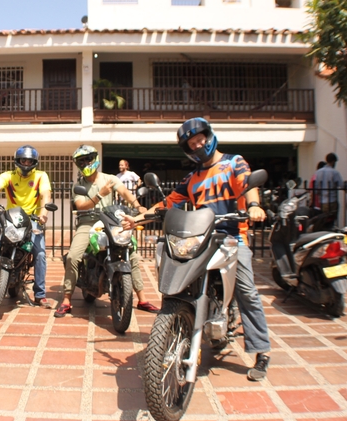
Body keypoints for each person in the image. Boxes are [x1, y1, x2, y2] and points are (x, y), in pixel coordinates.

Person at [124, 118, 271, 381]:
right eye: (192, 144)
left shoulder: (233, 162)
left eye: (200, 139)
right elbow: (169, 203)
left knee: (247, 291)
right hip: (201, 238)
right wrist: (138, 218)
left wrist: (254, 206)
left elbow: (250, 185)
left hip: (232, 237)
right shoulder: (192, 178)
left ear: (209, 136)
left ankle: (261, 351)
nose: (198, 145)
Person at [55, 145, 159, 318]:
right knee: (73, 256)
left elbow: (125, 192)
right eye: (81, 160)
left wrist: (137, 206)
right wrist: (100, 195)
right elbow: (81, 205)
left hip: (111, 220)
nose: (86, 162)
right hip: (88, 222)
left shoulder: (109, 178)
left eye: (88, 158)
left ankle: (142, 299)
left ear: (95, 158)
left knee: (131, 253)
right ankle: (66, 299)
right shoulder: (79, 185)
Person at [0, 145, 52, 308]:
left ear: (35, 163)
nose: (26, 164)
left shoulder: (41, 176)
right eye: (23, 160)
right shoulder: (9, 175)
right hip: (9, 216)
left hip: (31, 219)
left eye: (29, 161)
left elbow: (45, 194)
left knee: (40, 253)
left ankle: (40, 294)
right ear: (17, 161)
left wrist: (44, 212)